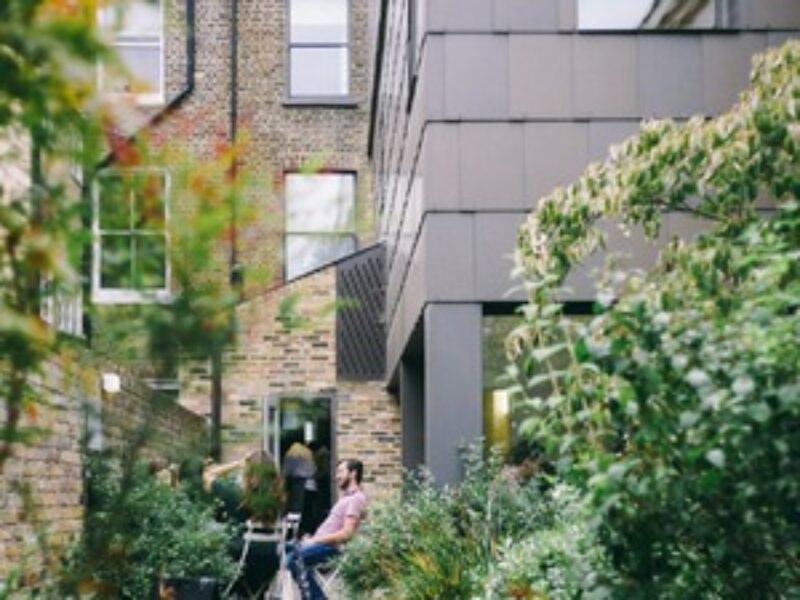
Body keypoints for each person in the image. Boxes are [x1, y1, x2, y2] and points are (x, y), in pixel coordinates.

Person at [286, 458, 367, 600]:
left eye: (341, 472)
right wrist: (311, 539)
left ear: (353, 474)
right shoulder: (345, 498)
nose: (336, 476)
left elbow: (347, 534)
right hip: (320, 544)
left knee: (293, 560)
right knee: (282, 548)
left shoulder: (356, 499)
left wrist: (314, 540)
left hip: (331, 548)